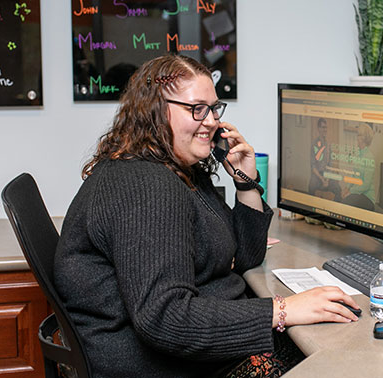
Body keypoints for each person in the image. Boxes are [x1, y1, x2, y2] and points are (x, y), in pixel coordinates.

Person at [54, 54, 360, 378]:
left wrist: (246, 183)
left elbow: (244, 257)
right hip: (157, 365)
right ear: (155, 110)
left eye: (214, 108)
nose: (212, 120)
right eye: (197, 108)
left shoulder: (180, 168)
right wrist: (283, 310)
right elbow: (165, 318)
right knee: (338, 361)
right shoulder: (146, 184)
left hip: (195, 349)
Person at [341, 123, 376, 211]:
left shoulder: (369, 157)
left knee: (345, 203)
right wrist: (347, 187)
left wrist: (350, 192)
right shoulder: (358, 154)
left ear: (364, 137)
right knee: (339, 197)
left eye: (358, 135)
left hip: (367, 197)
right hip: (357, 193)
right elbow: (354, 175)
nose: (356, 138)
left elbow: (366, 185)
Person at [308, 117, 341, 200]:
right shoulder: (314, 144)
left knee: (337, 188)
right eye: (323, 127)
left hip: (327, 174)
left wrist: (328, 178)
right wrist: (322, 179)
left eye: (326, 127)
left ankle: (334, 210)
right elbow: (313, 167)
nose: (325, 129)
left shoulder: (328, 145)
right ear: (319, 129)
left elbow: (330, 164)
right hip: (317, 175)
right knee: (311, 187)